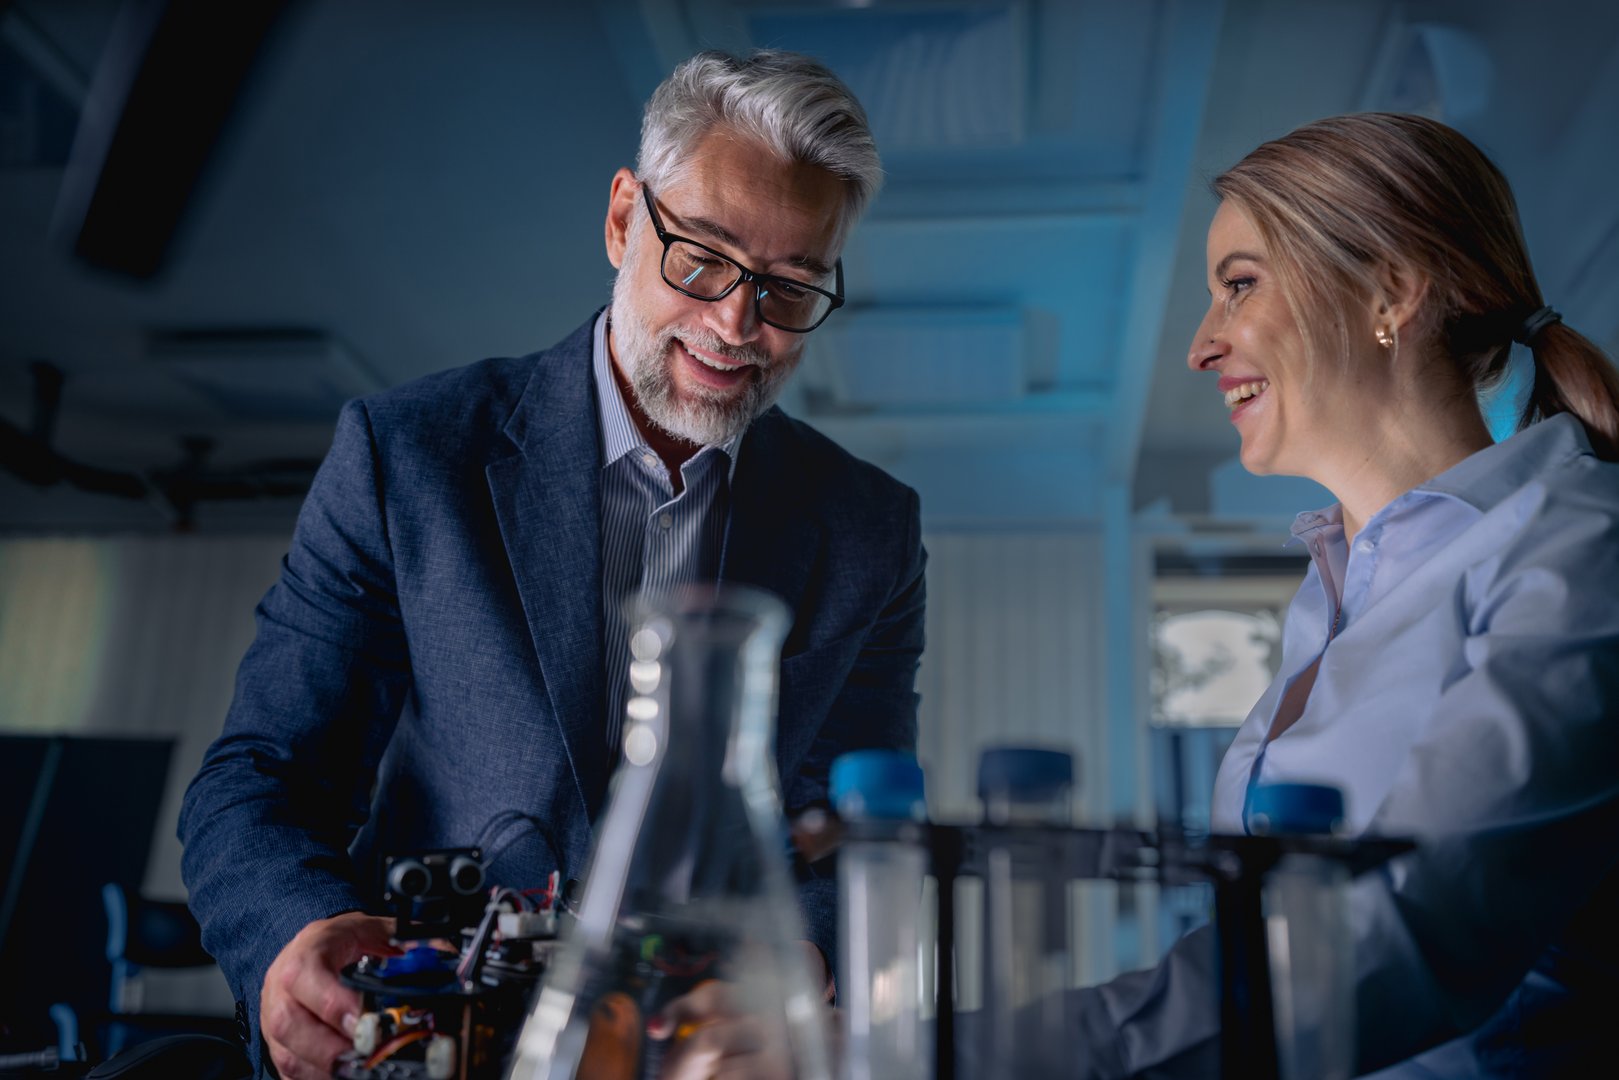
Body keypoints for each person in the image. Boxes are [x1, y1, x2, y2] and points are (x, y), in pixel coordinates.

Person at [178, 50, 927, 1080]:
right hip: (433, 1040)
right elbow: (261, 777)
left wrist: (800, 957)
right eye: (701, 259)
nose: (735, 325)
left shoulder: (868, 532)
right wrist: (285, 946)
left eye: (790, 289)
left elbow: (846, 840)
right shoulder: (409, 457)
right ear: (624, 219)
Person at [1062, 113, 1619, 1077]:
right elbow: (1264, 951)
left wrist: (962, 1050)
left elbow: (1411, 934)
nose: (1200, 347)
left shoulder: (1582, 545)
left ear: (1389, 291)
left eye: (1237, 286)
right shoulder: (1324, 599)